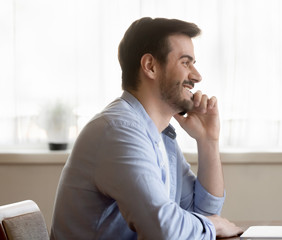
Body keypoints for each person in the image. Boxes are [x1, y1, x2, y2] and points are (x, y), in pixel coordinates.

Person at [50, 17, 242, 239]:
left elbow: (202, 216)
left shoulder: (160, 136)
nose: (197, 76)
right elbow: (165, 230)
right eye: (185, 62)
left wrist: (209, 141)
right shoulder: (118, 131)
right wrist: (213, 226)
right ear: (150, 66)